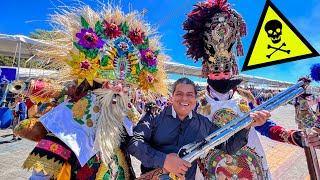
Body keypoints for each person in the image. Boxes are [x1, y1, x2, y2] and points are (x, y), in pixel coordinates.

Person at [20, 3, 169, 179]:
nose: (120, 89)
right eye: (113, 82)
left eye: (126, 85)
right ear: (99, 85)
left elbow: (143, 145)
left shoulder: (127, 113)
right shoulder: (72, 114)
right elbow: (42, 172)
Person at [182, 0, 320, 179]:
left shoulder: (245, 97)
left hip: (250, 170)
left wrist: (296, 137)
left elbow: (265, 127)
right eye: (216, 71)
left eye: (226, 71)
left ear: (233, 70)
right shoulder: (195, 103)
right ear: (207, 71)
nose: (222, 76)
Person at [128, 77, 267, 180]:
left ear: (195, 99)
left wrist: (247, 126)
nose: (184, 99)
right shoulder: (154, 115)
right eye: (179, 94)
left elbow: (228, 146)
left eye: (190, 95)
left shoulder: (203, 123)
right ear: (172, 96)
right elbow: (134, 143)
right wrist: (163, 160)